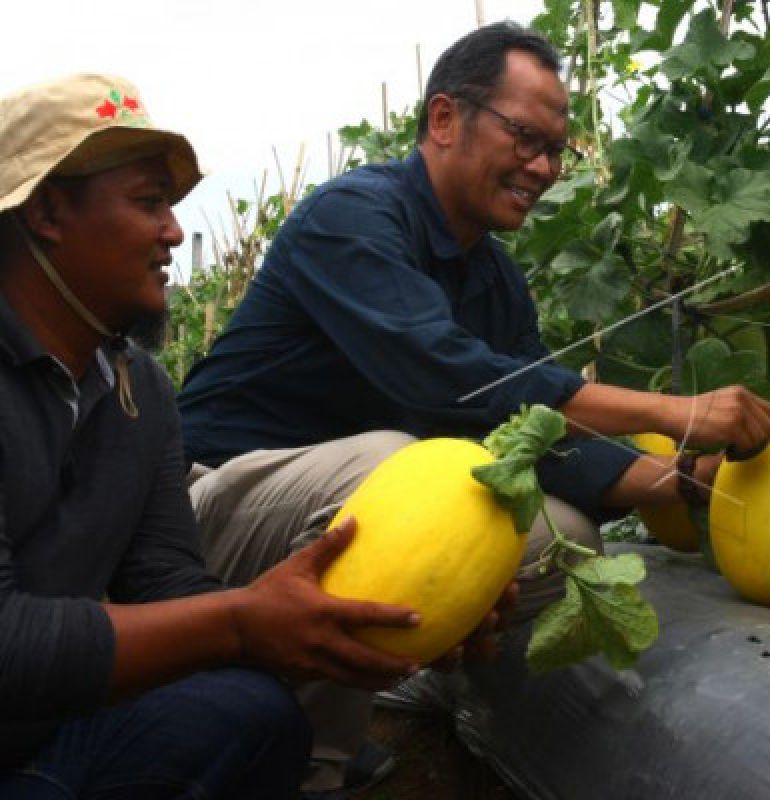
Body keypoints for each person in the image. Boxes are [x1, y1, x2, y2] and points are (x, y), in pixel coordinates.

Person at [177, 21, 770, 795]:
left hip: (335, 508)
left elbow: (528, 430)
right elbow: (446, 377)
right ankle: (308, 768)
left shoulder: (493, 279)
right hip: (204, 509)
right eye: (525, 137)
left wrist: (674, 483)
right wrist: (673, 411)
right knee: (402, 471)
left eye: (555, 150)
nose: (543, 167)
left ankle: (300, 706)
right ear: (443, 120)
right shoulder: (353, 216)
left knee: (563, 537)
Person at [0, 73, 442, 799]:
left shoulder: (137, 389)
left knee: (253, 716)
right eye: (149, 204)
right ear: (47, 212)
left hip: (47, 729)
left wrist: (379, 618)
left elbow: (167, 586)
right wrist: (240, 623)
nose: (173, 231)